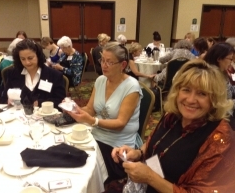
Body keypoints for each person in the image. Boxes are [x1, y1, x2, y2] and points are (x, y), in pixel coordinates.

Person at [112, 59, 235, 193]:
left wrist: (150, 178)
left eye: (202, 93)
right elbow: (153, 143)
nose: (190, 100)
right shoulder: (172, 117)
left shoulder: (220, 139)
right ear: (177, 91)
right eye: (186, 90)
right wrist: (137, 153)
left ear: (214, 99)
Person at [66, 42, 143, 184]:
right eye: (102, 60)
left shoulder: (132, 86)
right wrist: (75, 109)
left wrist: (92, 121)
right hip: (96, 135)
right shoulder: (101, 80)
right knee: (68, 151)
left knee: (83, 165)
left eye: (109, 62)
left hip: (118, 146)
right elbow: (90, 109)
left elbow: (120, 123)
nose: (104, 65)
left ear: (123, 64)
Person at [0, 39, 66, 109]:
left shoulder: (54, 75)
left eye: (30, 58)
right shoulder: (13, 73)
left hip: (45, 117)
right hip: (18, 117)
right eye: (23, 59)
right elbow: (3, 99)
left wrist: (40, 103)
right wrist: (8, 101)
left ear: (38, 56)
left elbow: (60, 101)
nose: (27, 62)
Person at [204, 42, 235, 129]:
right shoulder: (211, 76)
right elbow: (218, 104)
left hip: (227, 111)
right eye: (230, 59)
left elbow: (230, 89)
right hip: (220, 117)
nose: (231, 62)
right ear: (219, 58)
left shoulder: (221, 73)